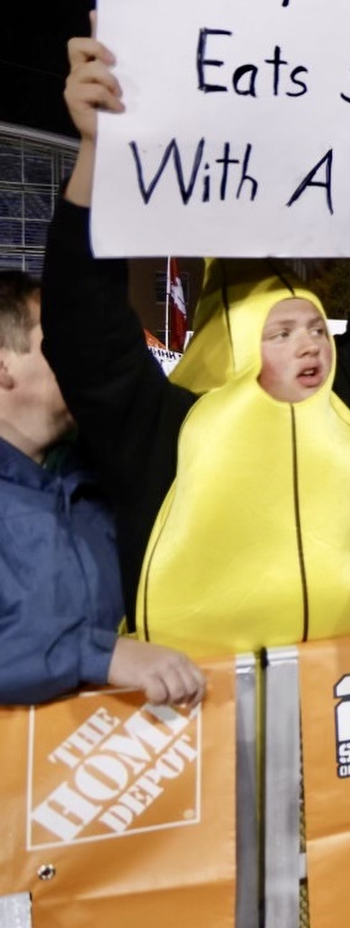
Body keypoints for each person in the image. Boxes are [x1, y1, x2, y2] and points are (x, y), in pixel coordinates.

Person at [44, 28, 350, 656]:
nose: (310, 344)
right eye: (280, 332)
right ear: (238, 350)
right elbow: (85, 323)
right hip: (195, 721)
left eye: (313, 325)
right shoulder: (162, 430)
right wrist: (97, 153)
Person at [0, 272, 202, 706]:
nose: (82, 355)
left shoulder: (103, 478)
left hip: (135, 763)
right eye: (57, 341)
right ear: (3, 365)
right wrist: (102, 656)